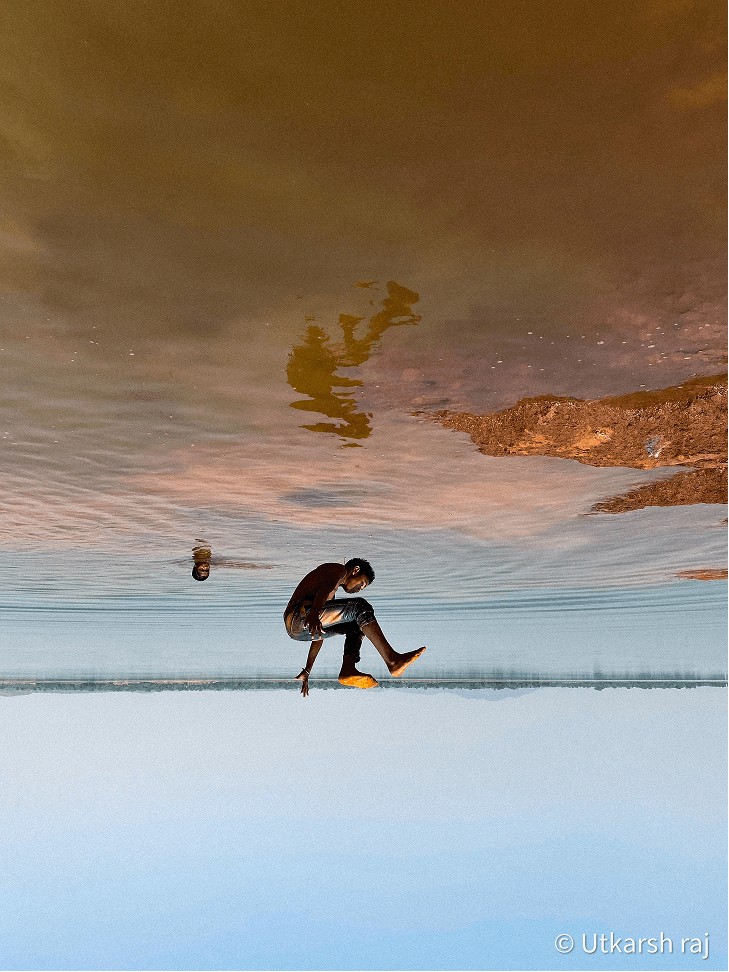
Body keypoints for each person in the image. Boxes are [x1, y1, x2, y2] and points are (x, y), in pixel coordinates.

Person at [284, 558, 426, 696]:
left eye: (362, 587)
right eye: (362, 583)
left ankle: (348, 668)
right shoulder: (338, 569)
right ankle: (393, 660)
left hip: (297, 632)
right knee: (360, 606)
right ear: (355, 570)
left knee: (357, 625)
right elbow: (324, 591)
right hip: (297, 615)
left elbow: (318, 635)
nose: (359, 589)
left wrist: (308, 669)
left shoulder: (328, 596)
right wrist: (314, 613)